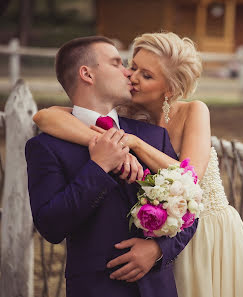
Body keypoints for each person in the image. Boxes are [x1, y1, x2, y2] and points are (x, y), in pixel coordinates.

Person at [33, 32, 243, 297]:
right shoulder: (120, 118)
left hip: (206, 237)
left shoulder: (183, 117)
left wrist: (134, 144)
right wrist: (107, 150)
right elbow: (46, 116)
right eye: (131, 66)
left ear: (170, 90)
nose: (131, 76)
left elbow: (190, 182)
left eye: (147, 75)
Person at [25, 36, 198, 297]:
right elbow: (50, 226)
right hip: (96, 288)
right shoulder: (47, 147)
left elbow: (192, 205)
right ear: (87, 74)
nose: (128, 72)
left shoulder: (153, 137)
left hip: (157, 287)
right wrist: (98, 167)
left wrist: (159, 249)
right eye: (117, 63)